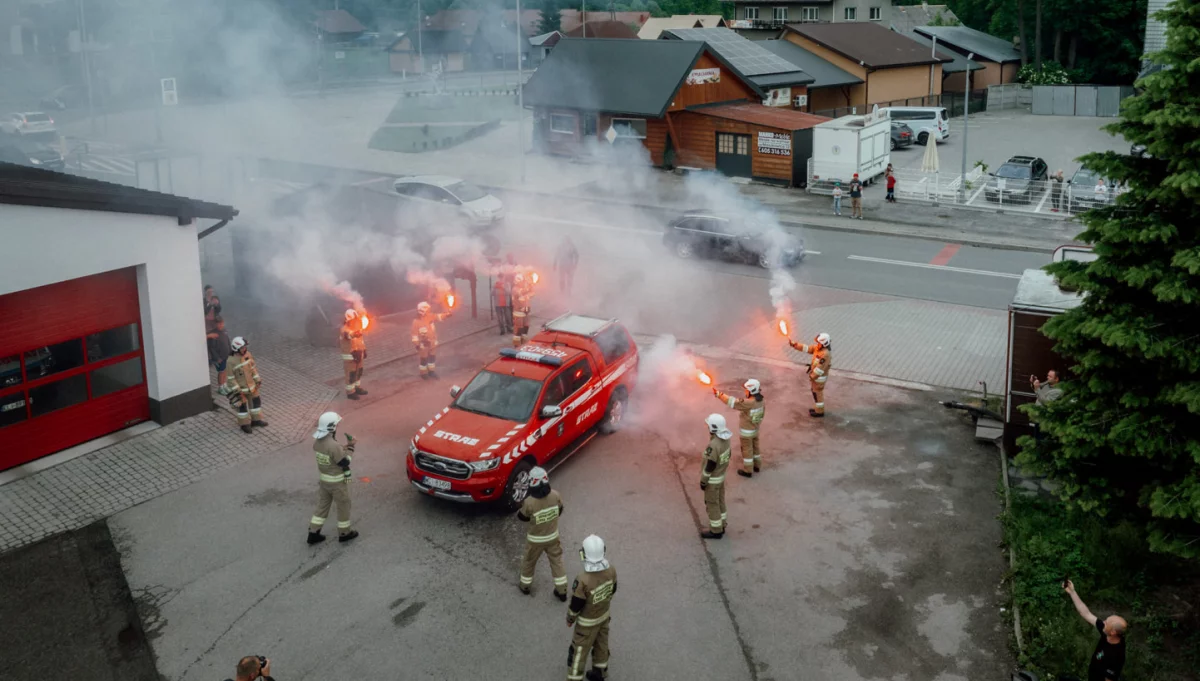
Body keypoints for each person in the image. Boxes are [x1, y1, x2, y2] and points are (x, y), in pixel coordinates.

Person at [566, 535, 617, 681]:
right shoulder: (611, 571)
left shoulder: (583, 580)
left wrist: (570, 618)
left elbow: (576, 605)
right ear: (604, 551)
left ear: (583, 554)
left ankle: (574, 678)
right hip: (604, 617)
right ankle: (599, 673)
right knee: (601, 646)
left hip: (586, 625)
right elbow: (613, 590)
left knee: (578, 653)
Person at [307, 411, 359, 544]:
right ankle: (344, 533)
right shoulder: (333, 446)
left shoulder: (318, 442)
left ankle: (313, 533)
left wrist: (344, 446)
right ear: (332, 426)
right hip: (337, 483)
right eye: (336, 425)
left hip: (324, 482)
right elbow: (344, 462)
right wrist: (351, 447)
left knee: (322, 506)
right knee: (343, 505)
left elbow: (332, 452)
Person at [517, 466, 568, 600]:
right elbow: (560, 510)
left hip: (535, 540)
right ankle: (562, 591)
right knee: (557, 562)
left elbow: (522, 517)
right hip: (553, 537)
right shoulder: (556, 495)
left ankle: (525, 586)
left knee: (529, 562)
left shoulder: (529, 502)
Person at [1064, 579, 1127, 681]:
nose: (1104, 622)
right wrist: (1072, 592)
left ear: (1113, 632)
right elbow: (1085, 613)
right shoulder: (1107, 632)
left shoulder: (1117, 655)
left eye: (1107, 623)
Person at [714, 378, 766, 477]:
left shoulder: (749, 403)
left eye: (747, 390)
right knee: (756, 448)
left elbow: (733, 402)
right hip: (755, 430)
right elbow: (762, 414)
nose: (745, 391)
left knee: (747, 451)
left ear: (751, 391)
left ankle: (748, 471)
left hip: (746, 433)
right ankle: (757, 466)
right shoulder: (762, 401)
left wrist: (719, 395)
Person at [699, 413, 732, 539]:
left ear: (713, 428)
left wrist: (703, 481)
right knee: (720, 501)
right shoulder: (726, 440)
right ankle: (722, 524)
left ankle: (716, 530)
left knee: (712, 503)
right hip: (721, 477)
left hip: (712, 480)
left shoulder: (713, 445)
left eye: (709, 426)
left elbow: (709, 466)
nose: (707, 428)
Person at [228, 337, 267, 434]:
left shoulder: (248, 355)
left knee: (256, 403)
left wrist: (257, 380)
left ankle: (256, 420)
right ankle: (244, 425)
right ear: (235, 348)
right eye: (242, 348)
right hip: (241, 390)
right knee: (242, 408)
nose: (244, 349)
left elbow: (253, 368)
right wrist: (238, 391)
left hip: (252, 387)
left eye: (245, 347)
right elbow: (230, 379)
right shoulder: (230, 362)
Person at [789, 332, 832, 417]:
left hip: (818, 378)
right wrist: (795, 345)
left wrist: (812, 376)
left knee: (817, 393)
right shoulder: (819, 349)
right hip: (816, 378)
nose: (817, 344)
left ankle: (819, 411)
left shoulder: (825, 354)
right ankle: (818, 408)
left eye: (819, 343)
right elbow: (807, 348)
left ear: (824, 344)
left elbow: (820, 369)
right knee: (815, 392)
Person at [411, 301, 451, 379]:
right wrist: (417, 344)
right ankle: (423, 374)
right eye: (427, 310)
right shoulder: (416, 322)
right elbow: (414, 335)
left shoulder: (429, 316)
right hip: (423, 346)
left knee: (432, 358)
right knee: (424, 360)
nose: (428, 311)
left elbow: (438, 316)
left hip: (432, 343)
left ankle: (431, 372)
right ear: (422, 311)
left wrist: (446, 315)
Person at [340, 309, 369, 400]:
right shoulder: (344, 329)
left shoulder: (356, 328)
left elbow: (361, 341)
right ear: (348, 320)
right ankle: (350, 392)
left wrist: (364, 350)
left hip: (358, 355)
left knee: (358, 372)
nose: (354, 322)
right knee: (351, 374)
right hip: (350, 357)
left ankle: (357, 388)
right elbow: (349, 335)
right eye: (353, 320)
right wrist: (355, 333)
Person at [207, 315, 232, 395]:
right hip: (219, 358)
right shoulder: (213, 334)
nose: (221, 325)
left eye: (222, 323)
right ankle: (220, 387)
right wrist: (217, 358)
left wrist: (230, 351)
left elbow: (228, 341)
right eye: (219, 324)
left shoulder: (224, 331)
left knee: (225, 370)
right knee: (221, 372)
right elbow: (212, 348)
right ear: (215, 324)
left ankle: (224, 385)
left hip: (226, 356)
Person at [511, 273, 534, 349]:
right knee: (518, 330)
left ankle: (524, 344)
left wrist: (531, 285)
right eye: (522, 280)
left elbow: (532, 293)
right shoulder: (515, 289)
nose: (523, 282)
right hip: (518, 313)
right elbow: (522, 292)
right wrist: (530, 283)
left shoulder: (524, 287)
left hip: (526, 312)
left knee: (526, 328)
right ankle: (517, 346)